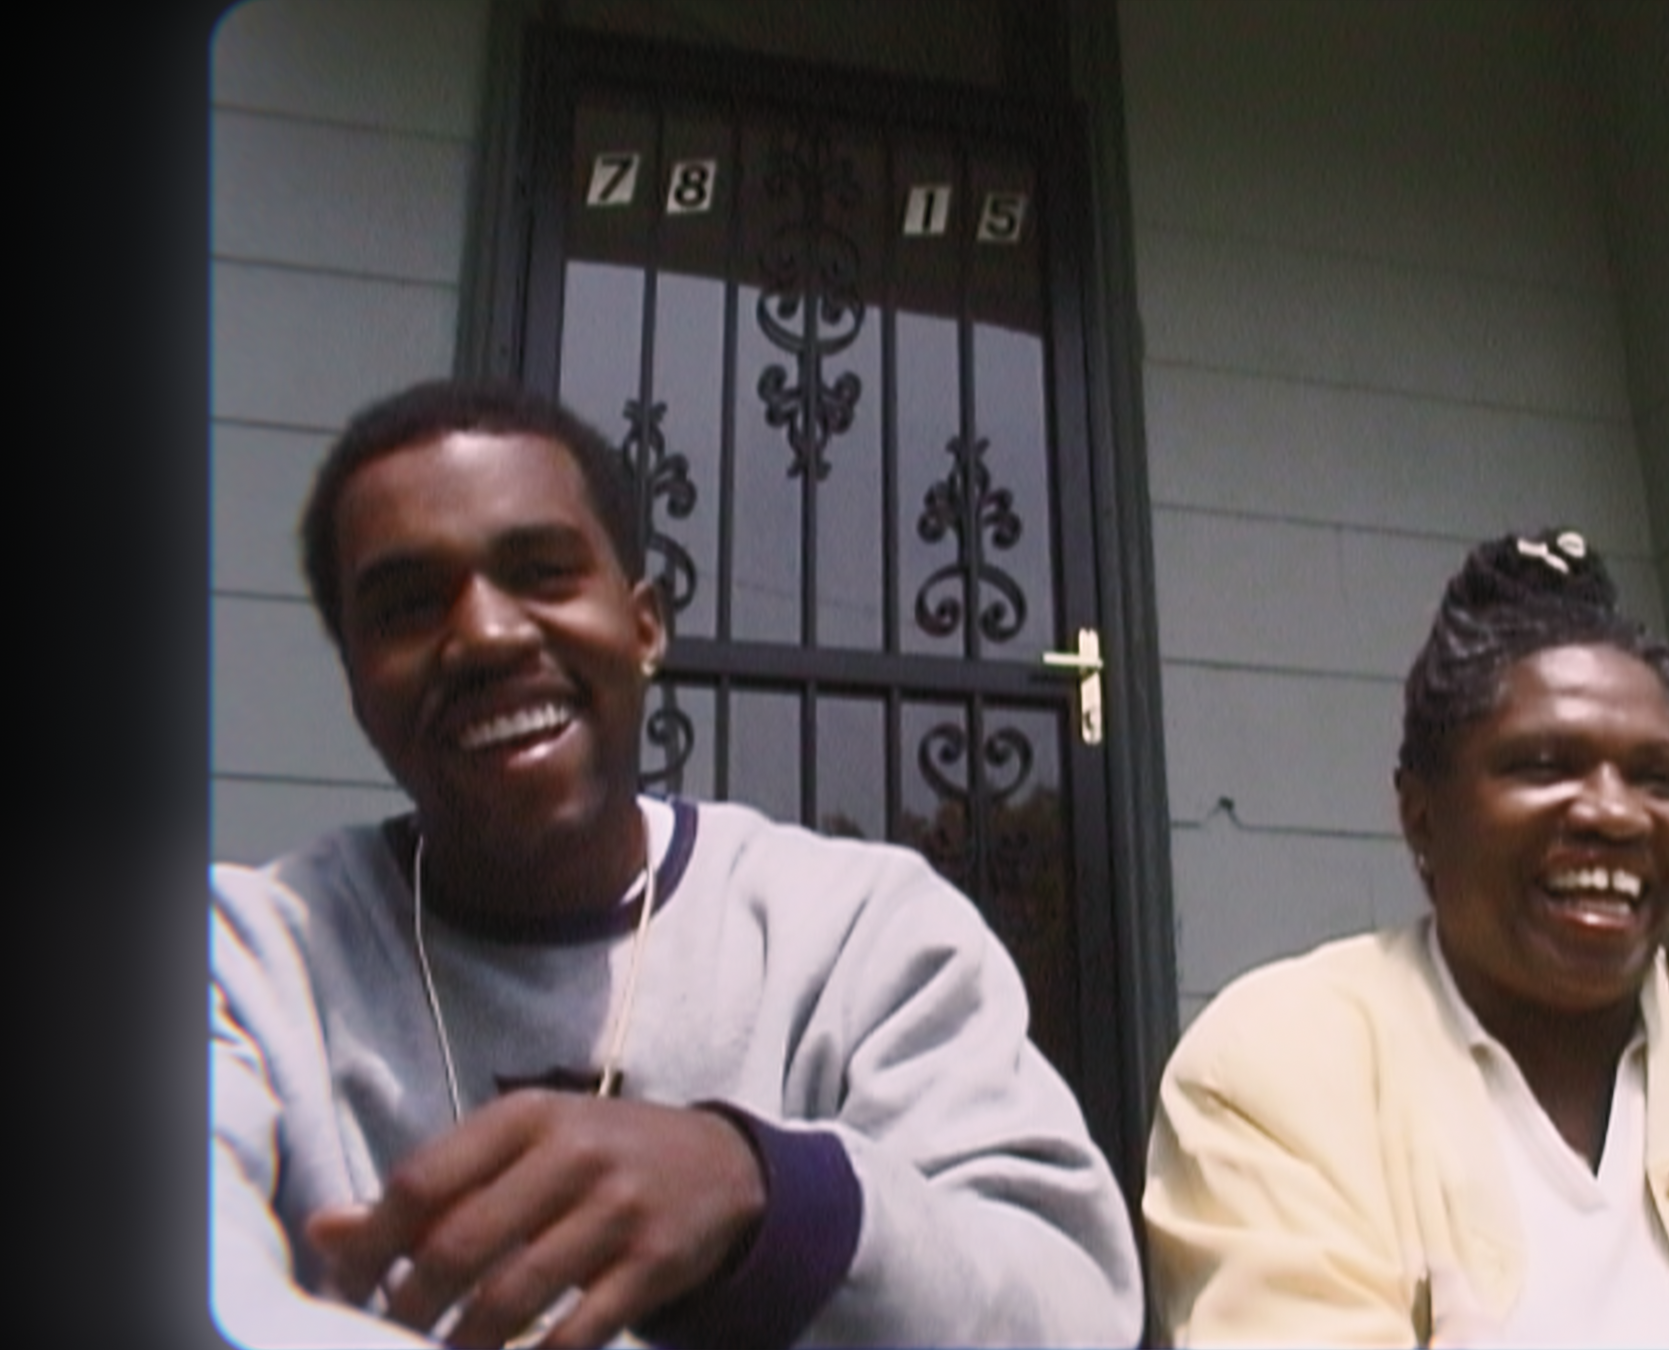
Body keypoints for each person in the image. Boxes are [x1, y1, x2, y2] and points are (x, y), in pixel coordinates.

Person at [211, 381, 1143, 1349]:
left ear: (645, 627)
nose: (486, 634)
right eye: (407, 606)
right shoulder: (246, 962)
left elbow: (1070, 1311)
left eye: (541, 571)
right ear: (359, 687)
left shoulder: (860, 936)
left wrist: (768, 1196)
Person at [1141, 528, 1669, 1347]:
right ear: (1421, 817)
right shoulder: (1276, 1068)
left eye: (1656, 777)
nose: (1615, 812)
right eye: (1544, 765)